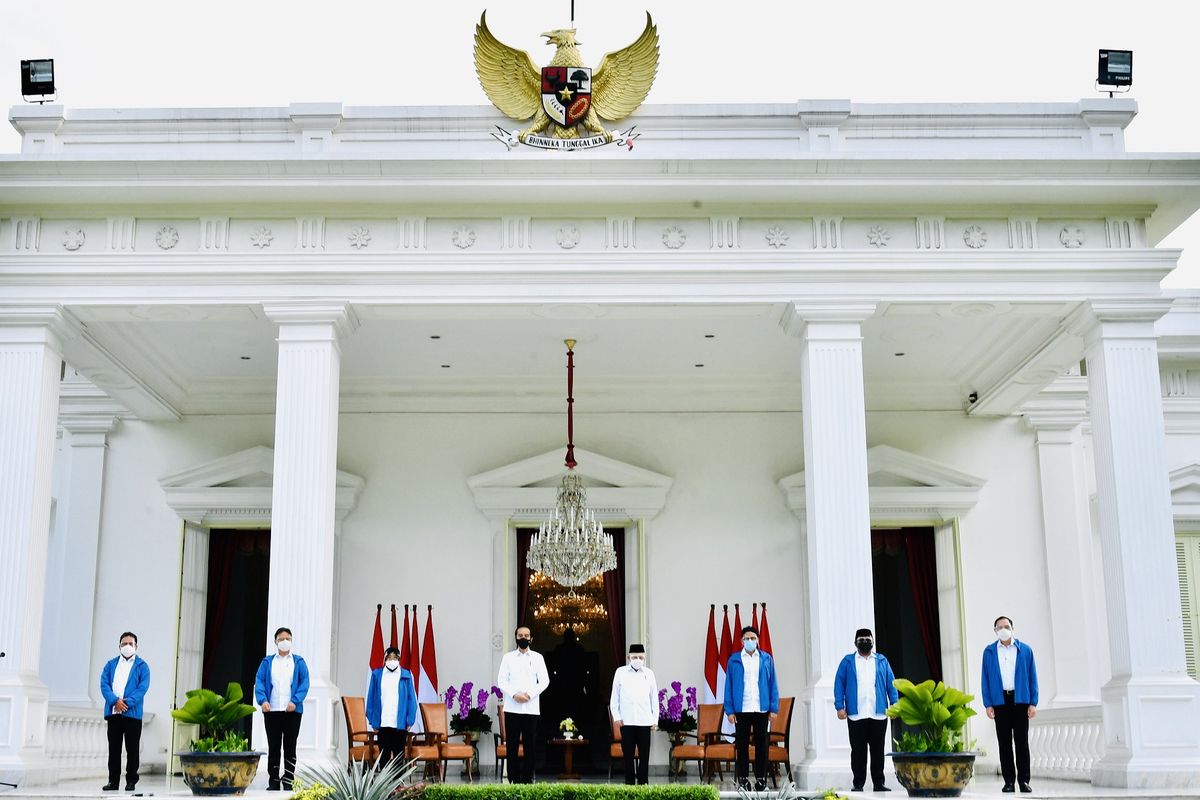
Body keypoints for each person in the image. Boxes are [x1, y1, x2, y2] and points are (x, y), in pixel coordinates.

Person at [833, 628, 898, 792]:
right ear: (855, 643)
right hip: (856, 714)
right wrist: (839, 706)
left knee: (878, 750)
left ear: (873, 641)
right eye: (861, 640)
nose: (864, 642)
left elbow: (891, 683)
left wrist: (895, 705)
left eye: (867, 639)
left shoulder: (882, 661)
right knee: (858, 751)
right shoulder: (847, 662)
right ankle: (858, 783)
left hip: (878, 714)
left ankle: (879, 783)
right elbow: (839, 684)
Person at [981, 616, 1038, 793]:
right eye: (1000, 627)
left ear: (1013, 628)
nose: (1004, 629)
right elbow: (985, 679)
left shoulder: (1025, 650)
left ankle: (1024, 780)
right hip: (1000, 701)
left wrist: (1033, 702)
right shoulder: (989, 652)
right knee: (1004, 743)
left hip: (1020, 700)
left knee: (1022, 742)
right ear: (995, 631)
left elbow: (1032, 677)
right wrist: (988, 704)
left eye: (1006, 626)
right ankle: (1009, 782)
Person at [724, 625, 780, 791]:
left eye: (753, 638)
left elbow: (772, 684)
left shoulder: (766, 659)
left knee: (761, 745)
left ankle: (761, 779)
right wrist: (730, 710)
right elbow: (728, 686)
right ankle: (743, 780)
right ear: (742, 641)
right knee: (742, 746)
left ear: (757, 640)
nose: (750, 641)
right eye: (747, 638)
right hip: (742, 709)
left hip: (761, 709)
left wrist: (774, 707)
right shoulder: (734, 660)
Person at [254, 627, 310, 791]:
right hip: (272, 711)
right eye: (281, 639)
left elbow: (304, 683)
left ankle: (288, 780)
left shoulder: (298, 662)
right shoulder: (267, 662)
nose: (284, 641)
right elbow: (260, 682)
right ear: (275, 642)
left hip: (292, 711)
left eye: (287, 638)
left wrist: (295, 700)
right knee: (274, 746)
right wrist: (262, 700)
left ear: (291, 640)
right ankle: (273, 780)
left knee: (290, 746)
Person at [497, 625, 549, 783]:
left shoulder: (538, 658)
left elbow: (545, 680)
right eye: (520, 635)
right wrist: (514, 695)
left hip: (531, 709)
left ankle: (527, 779)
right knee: (511, 746)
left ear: (531, 638)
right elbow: (501, 680)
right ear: (516, 638)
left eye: (526, 635)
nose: (523, 638)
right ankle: (513, 779)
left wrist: (530, 695)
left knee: (530, 746)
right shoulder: (508, 657)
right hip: (512, 708)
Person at [99, 631, 150, 791]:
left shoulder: (142, 666)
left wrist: (126, 703)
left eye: (130, 644)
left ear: (136, 646)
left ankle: (131, 781)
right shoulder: (110, 664)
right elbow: (104, 685)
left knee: (132, 749)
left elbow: (143, 687)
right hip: (114, 713)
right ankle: (113, 781)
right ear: (119, 646)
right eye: (124, 643)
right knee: (114, 749)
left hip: (132, 714)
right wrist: (115, 701)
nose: (127, 646)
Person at [609, 643, 659, 785]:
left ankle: (643, 785)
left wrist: (655, 720)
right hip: (627, 722)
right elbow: (615, 698)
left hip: (644, 722)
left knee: (644, 757)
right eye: (635, 657)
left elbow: (654, 698)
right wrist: (617, 717)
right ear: (628, 657)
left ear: (644, 657)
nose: (638, 659)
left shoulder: (649, 673)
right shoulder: (620, 672)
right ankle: (629, 785)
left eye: (640, 657)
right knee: (628, 757)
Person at [365, 646, 418, 768]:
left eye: (395, 657)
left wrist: (410, 720)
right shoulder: (377, 675)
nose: (392, 660)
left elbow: (411, 700)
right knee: (384, 756)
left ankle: (398, 785)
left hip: (399, 725)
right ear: (384, 659)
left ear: (399, 659)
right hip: (383, 724)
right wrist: (373, 721)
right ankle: (385, 786)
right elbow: (371, 699)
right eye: (389, 657)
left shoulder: (406, 675)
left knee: (399, 757)